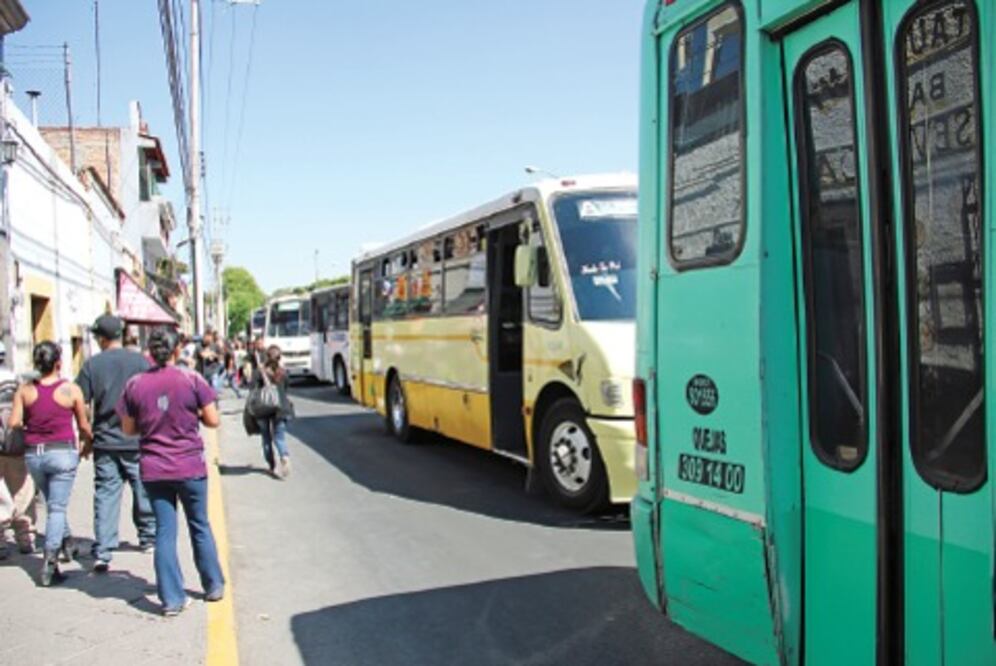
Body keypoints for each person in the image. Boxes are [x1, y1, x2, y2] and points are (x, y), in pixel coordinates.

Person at [118, 327, 225, 616]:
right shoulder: (192, 379)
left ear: (150, 352)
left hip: (154, 468)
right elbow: (213, 420)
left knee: (164, 531)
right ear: (176, 349)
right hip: (189, 466)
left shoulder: (135, 384)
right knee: (199, 525)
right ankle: (213, 585)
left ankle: (172, 600)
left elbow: (128, 430)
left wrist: (151, 423)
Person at [76, 314, 155, 572]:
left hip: (105, 441)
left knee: (106, 494)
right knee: (142, 488)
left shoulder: (92, 365)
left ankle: (104, 550)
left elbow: (82, 402)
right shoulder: (141, 362)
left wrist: (86, 435)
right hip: (136, 440)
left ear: (101, 338)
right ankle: (148, 537)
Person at [10, 342, 93, 586]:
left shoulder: (24, 391)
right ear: (58, 362)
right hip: (62, 453)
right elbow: (84, 424)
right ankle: (50, 562)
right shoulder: (70, 390)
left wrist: (33, 428)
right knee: (56, 508)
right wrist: (88, 442)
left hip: (35, 455)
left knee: (52, 501)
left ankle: (67, 543)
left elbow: (14, 422)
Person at [0, 368, 35, 560]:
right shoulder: (15, 378)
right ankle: (25, 536)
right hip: (17, 444)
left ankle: (0, 540)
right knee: (23, 489)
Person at [253, 345, 293, 479]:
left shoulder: (260, 372)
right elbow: (286, 389)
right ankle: (284, 456)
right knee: (280, 437)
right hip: (280, 408)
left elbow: (252, 388)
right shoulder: (283, 372)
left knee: (266, 438)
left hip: (263, 408)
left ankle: (271, 465)